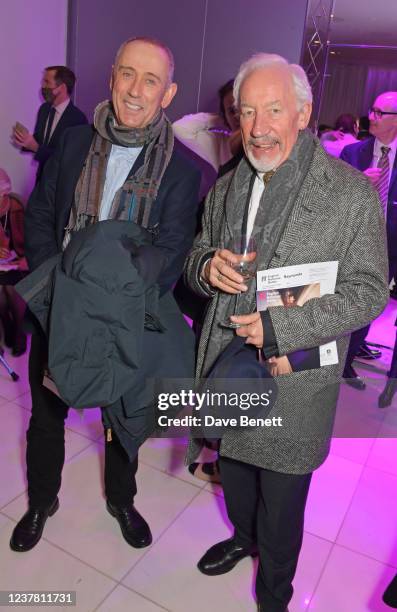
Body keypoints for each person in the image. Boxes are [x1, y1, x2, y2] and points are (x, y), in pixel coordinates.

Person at [184, 52, 388, 611]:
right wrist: (206, 268)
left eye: (273, 110)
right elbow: (196, 254)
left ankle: (275, 593)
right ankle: (241, 536)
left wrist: (280, 325)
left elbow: (370, 289)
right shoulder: (228, 186)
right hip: (228, 368)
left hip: (294, 381)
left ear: (303, 113)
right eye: (247, 112)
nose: (258, 127)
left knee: (282, 503)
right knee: (237, 478)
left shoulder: (351, 194)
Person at [9, 36, 200, 553]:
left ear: (168, 93)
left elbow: (170, 255)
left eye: (151, 80)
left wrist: (108, 307)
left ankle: (121, 499)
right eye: (127, 74)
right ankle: (41, 500)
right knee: (47, 418)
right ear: (113, 76)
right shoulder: (72, 144)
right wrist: (58, 295)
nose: (136, 90)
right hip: (59, 310)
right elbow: (44, 219)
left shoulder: (183, 172)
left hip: (125, 323)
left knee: (123, 419)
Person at [341, 92, 397, 390]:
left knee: (372, 305)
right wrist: (359, 181)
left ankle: (347, 357)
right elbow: (333, 196)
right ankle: (336, 358)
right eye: (372, 110)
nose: (371, 117)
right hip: (353, 240)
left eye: (379, 112)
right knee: (345, 299)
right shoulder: (352, 153)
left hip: (390, 244)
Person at [12, 66, 88, 183]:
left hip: (59, 186)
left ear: (61, 88)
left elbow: (68, 160)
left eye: (47, 82)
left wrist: (35, 147)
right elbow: (41, 141)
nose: (42, 86)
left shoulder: (78, 119)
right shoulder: (44, 109)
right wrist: (26, 140)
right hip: (40, 180)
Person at [173, 79, 241, 172]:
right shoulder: (217, 143)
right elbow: (178, 129)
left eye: (243, 107)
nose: (237, 116)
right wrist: (222, 119)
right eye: (232, 111)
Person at [0, 169, 28, 356]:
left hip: (20, 260)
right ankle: (7, 324)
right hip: (2, 263)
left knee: (12, 290)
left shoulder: (19, 206)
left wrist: (26, 257)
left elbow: (34, 238)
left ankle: (19, 332)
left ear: (5, 193)